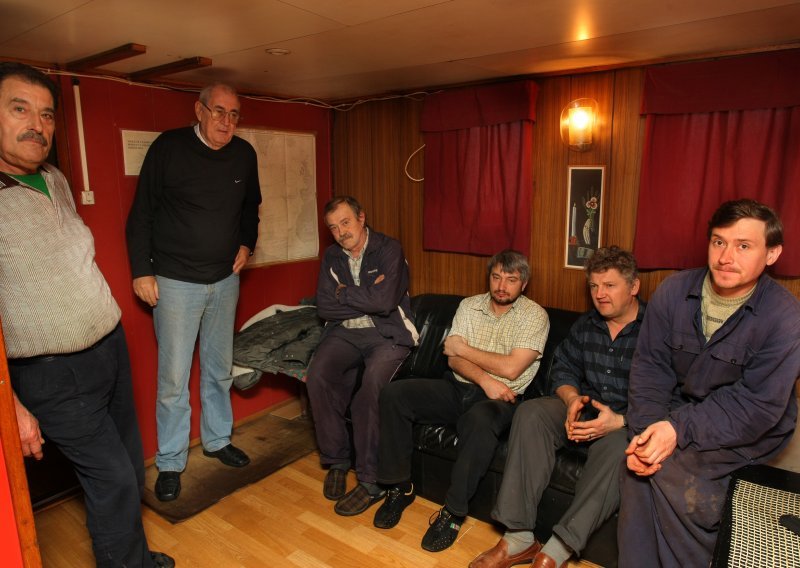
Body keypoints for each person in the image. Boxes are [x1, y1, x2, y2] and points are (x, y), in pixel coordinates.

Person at [0, 62, 174, 567]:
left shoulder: (54, 178)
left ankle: (136, 559)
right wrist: (10, 404)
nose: (37, 124)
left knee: (129, 470)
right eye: (19, 109)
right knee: (112, 479)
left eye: (46, 114)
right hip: (52, 373)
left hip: (108, 348)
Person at [619, 199, 800, 568]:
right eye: (719, 242)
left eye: (743, 245)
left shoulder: (785, 316)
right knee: (636, 469)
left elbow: (757, 406)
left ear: (772, 253)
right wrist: (645, 434)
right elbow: (650, 370)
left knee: (676, 474)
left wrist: (676, 430)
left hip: (753, 426)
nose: (726, 257)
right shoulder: (673, 291)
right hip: (679, 410)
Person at [126, 82, 261, 502]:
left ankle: (218, 440)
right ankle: (170, 460)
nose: (226, 121)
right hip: (174, 281)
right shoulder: (168, 148)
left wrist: (247, 244)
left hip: (224, 280)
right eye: (219, 111)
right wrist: (141, 271)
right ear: (199, 111)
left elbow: (250, 208)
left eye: (234, 114)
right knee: (173, 377)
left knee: (219, 369)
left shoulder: (244, 154)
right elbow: (141, 214)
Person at [470, 247, 644, 568]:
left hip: (624, 422)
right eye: (594, 286)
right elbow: (563, 369)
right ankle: (518, 537)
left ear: (633, 287)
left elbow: (672, 399)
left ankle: (559, 547)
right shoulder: (586, 325)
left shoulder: (657, 331)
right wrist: (571, 398)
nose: (599, 295)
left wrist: (621, 420)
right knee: (532, 412)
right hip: (582, 409)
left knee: (622, 447)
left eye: (609, 285)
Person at [374, 250, 550, 552]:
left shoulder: (534, 315)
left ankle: (453, 513)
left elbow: (511, 368)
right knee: (394, 395)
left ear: (524, 283)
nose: (502, 286)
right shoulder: (469, 306)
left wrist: (463, 349)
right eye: (496, 277)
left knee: (480, 421)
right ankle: (400, 487)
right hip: (458, 388)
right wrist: (485, 379)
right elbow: (452, 360)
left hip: (502, 400)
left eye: (511, 280)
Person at [305, 196, 419, 516]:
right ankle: (338, 460)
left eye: (345, 222)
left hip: (387, 334)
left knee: (370, 388)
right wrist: (367, 295)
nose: (341, 232)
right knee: (318, 376)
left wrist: (343, 292)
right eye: (333, 227)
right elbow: (325, 306)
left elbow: (384, 303)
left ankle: (370, 480)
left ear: (361, 218)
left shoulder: (389, 249)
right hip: (344, 332)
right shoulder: (332, 257)